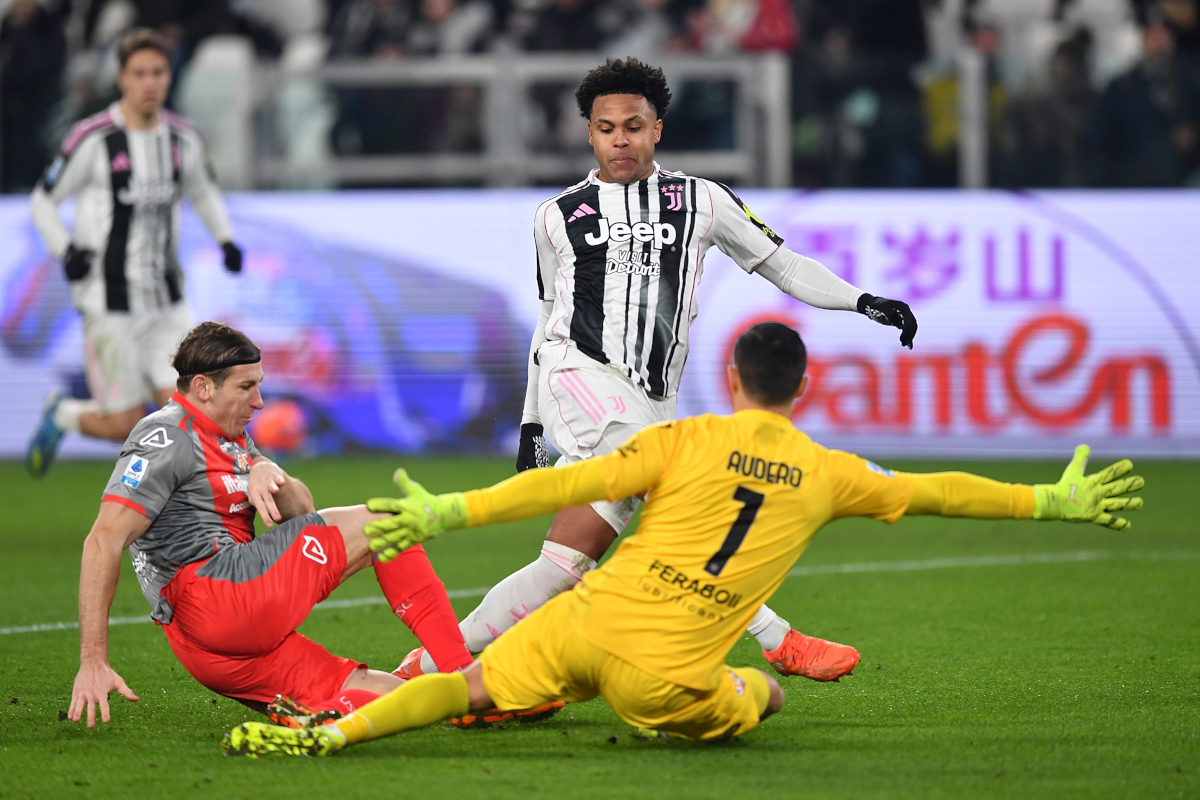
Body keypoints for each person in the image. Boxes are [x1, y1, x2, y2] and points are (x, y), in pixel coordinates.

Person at [219, 321, 1144, 755]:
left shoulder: (684, 438)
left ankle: (337, 737)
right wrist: (1047, 501)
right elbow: (939, 492)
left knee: (466, 683)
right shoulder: (830, 471)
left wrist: (449, 512)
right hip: (662, 678)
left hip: (583, 623)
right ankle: (744, 669)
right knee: (765, 695)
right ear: (803, 390)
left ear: (731, 379)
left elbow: (564, 483)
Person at [397, 56, 919, 684]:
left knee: (562, 566)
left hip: (649, 400)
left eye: (633, 127)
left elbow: (783, 265)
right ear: (589, 133)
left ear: (657, 130)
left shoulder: (702, 200)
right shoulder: (557, 215)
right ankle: (777, 637)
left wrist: (862, 300)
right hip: (577, 374)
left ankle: (428, 665)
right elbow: (547, 317)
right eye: (606, 128)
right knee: (677, 489)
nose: (620, 140)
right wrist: (532, 421)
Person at [68, 321, 478, 728]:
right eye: (246, 387)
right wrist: (93, 661)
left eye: (259, 385)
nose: (260, 401)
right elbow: (102, 540)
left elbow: (303, 512)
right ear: (203, 387)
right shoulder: (164, 436)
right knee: (389, 524)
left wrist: (266, 468)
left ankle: (441, 698)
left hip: (211, 650)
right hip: (221, 593)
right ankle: (462, 670)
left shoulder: (231, 434)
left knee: (400, 698)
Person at [26, 29, 245, 477]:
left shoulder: (183, 138)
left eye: (158, 72)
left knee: (195, 410)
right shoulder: (93, 138)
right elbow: (42, 201)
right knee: (123, 424)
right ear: (122, 78)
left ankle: (190, 506)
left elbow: (204, 192)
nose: (149, 82)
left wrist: (225, 240)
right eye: (139, 73)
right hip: (108, 302)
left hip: (167, 301)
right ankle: (62, 413)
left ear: (169, 77)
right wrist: (65, 250)